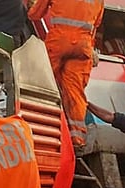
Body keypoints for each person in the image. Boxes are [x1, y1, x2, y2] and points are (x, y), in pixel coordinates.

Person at [28, 0, 104, 149]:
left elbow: (35, 15)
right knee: (75, 93)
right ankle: (77, 139)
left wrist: (32, 6)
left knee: (42, 82)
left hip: (59, 40)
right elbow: (96, 24)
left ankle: (38, 128)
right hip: (83, 45)